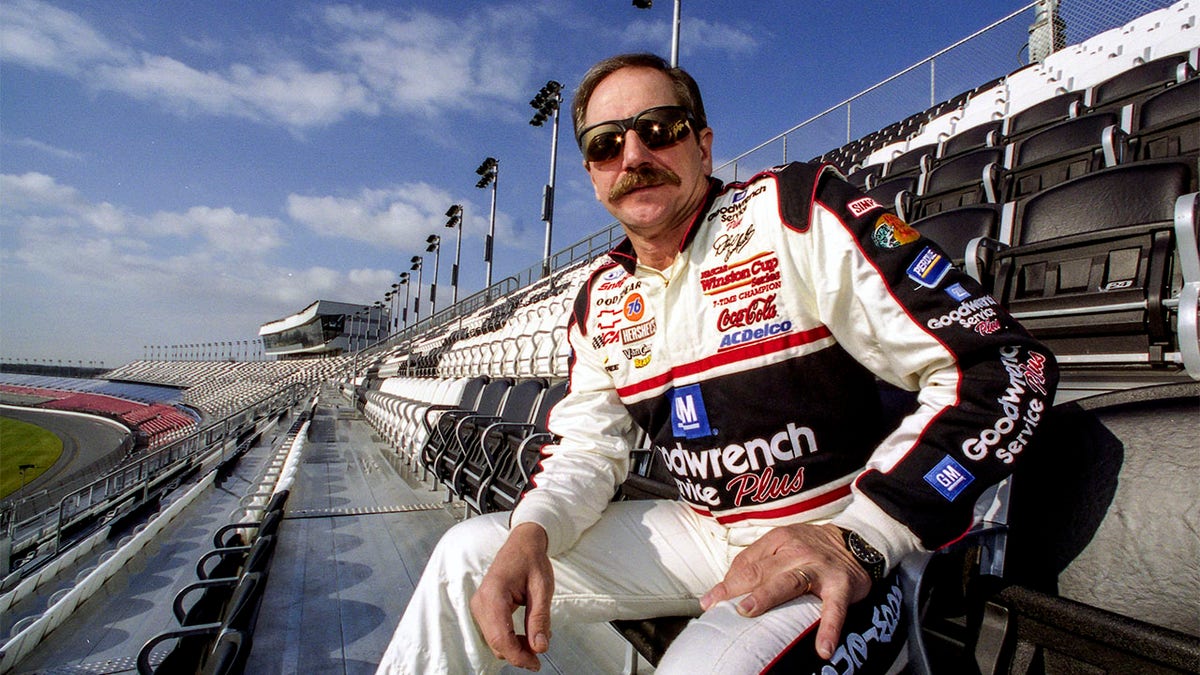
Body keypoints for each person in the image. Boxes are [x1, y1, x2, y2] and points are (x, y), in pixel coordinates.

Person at [377, 52, 1057, 674]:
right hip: (707, 529)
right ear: (591, 173)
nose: (633, 154)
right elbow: (585, 452)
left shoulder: (795, 211)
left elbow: (1005, 366)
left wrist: (864, 533)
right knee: (472, 557)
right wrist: (533, 530)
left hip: (843, 534)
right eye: (606, 144)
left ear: (703, 143)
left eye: (659, 128)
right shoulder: (599, 298)